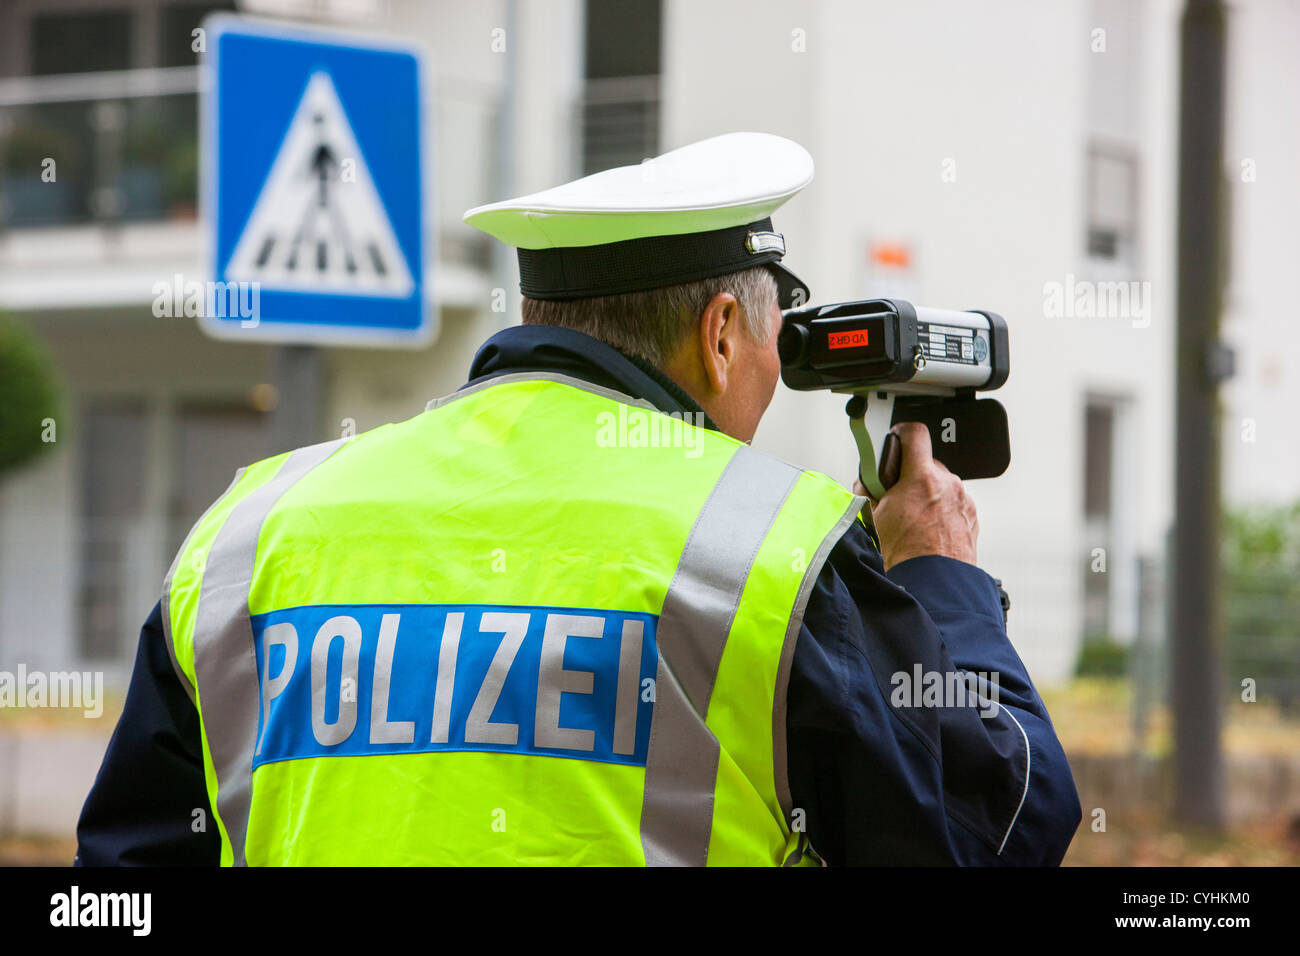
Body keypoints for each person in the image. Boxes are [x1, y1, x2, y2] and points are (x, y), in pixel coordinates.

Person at [77, 132, 1081, 866]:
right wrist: (938, 577)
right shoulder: (769, 550)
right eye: (778, 337)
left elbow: (123, 877)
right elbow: (992, 829)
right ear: (723, 331)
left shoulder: (252, 529)